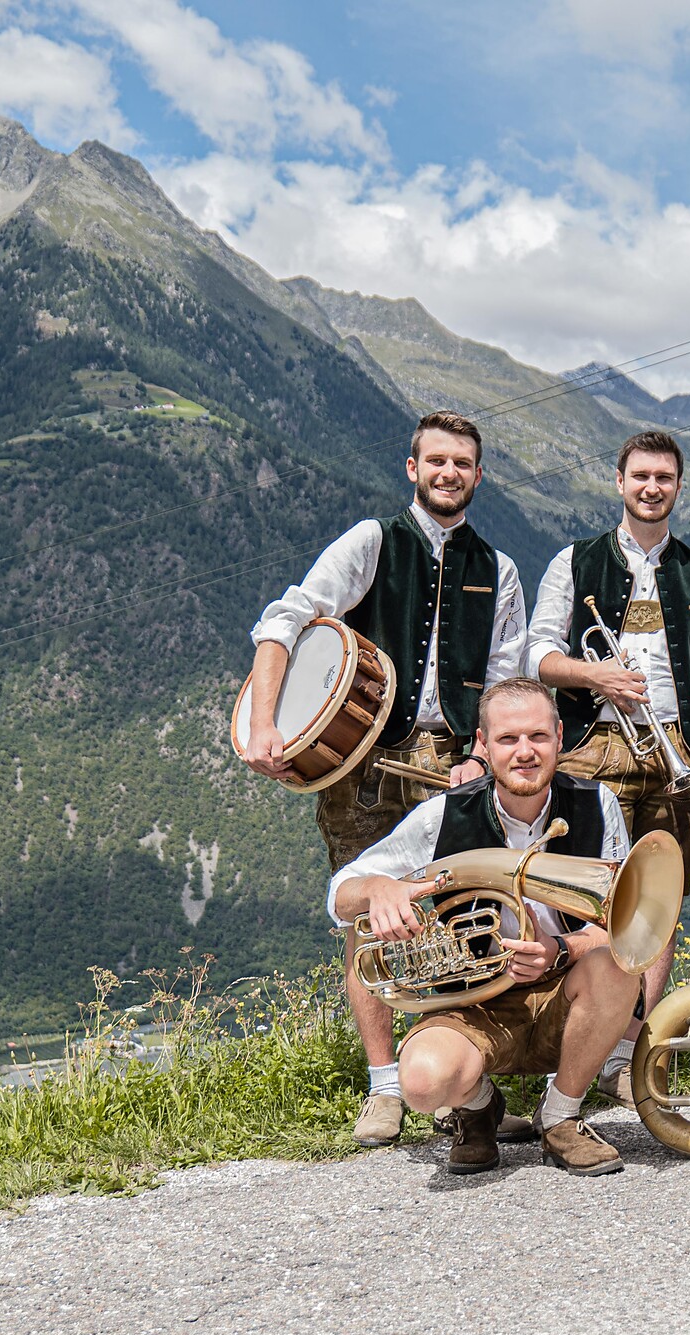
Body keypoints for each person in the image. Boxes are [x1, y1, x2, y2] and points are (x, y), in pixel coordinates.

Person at [244, 410, 527, 1148]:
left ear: (478, 474)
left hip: (455, 767)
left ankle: (466, 1086)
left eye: (462, 463)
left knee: (464, 921)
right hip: (363, 768)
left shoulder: (499, 570)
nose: (448, 473)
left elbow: (505, 678)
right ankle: (385, 1089)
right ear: (412, 468)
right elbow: (286, 619)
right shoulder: (373, 542)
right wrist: (264, 723)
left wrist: (481, 755)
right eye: (436, 460)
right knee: (369, 919)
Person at [329, 678, 639, 1175]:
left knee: (619, 965)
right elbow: (342, 891)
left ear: (560, 736)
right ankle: (478, 1107)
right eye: (508, 739)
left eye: (538, 737)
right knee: (424, 1083)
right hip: (470, 1004)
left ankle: (561, 1117)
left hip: (562, 994)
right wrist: (379, 889)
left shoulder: (595, 805)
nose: (525, 753)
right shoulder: (441, 816)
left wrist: (560, 949)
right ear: (483, 745)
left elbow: (626, 922)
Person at [528, 430, 690, 1094]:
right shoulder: (574, 561)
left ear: (678, 487)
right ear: (619, 482)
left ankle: (627, 1054)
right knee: (589, 903)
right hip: (594, 746)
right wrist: (597, 677)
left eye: (665, 478)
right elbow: (535, 658)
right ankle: (573, 1048)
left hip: (677, 750)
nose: (652, 488)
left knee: (658, 907)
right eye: (641, 476)